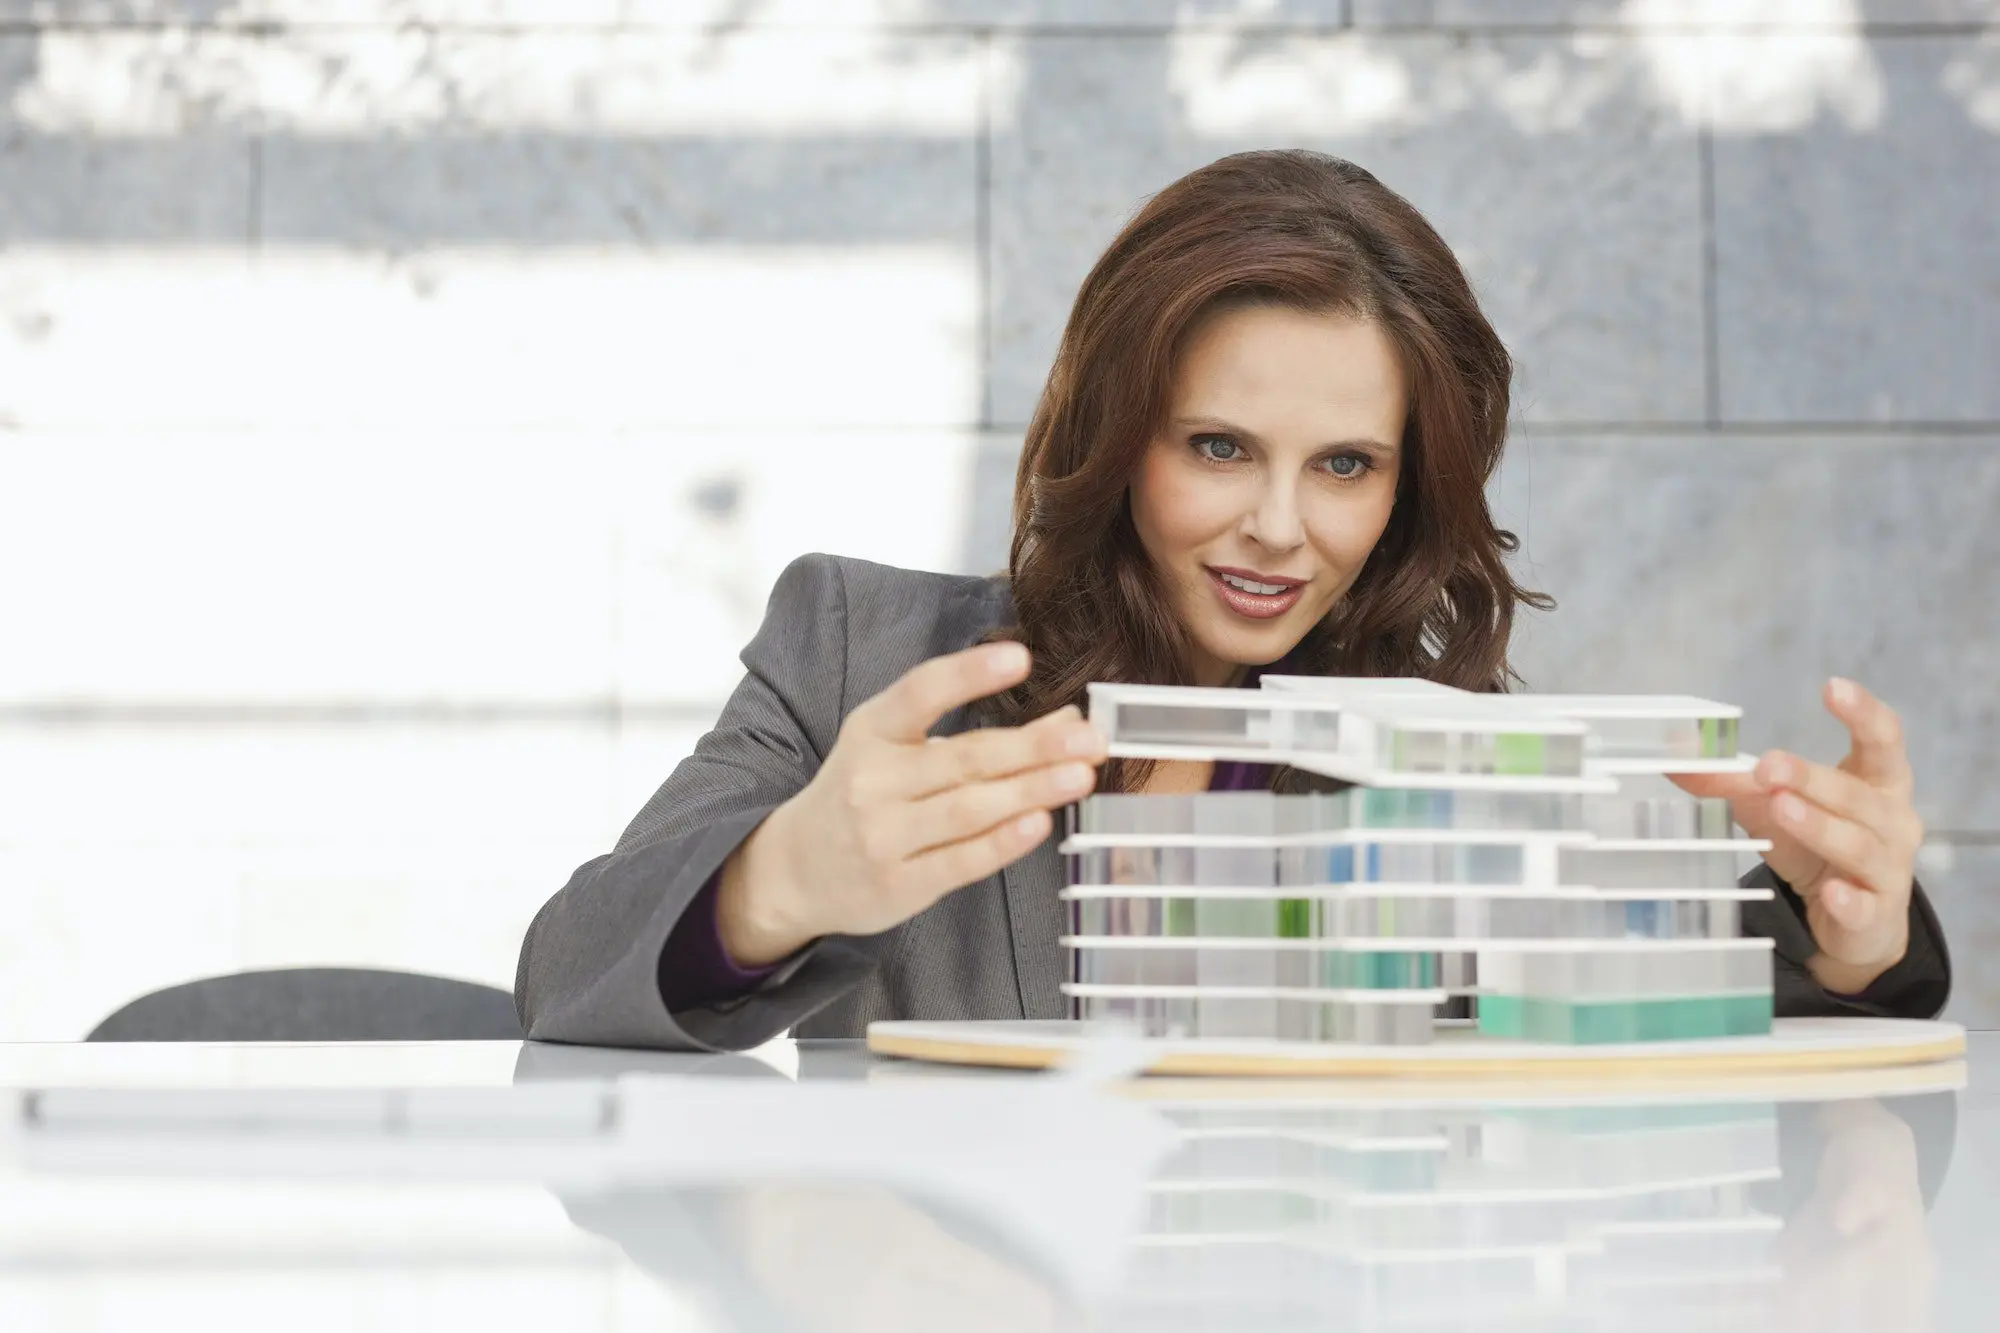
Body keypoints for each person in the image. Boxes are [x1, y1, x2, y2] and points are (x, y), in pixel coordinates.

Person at [514, 150, 1948, 1052]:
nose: (1277, 525)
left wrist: (1857, 935)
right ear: (1116, 433)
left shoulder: (1436, 750)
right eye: (1218, 447)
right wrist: (783, 880)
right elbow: (562, 977)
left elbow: (1732, 981)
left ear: (1407, 490)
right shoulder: (859, 651)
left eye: (1344, 464)